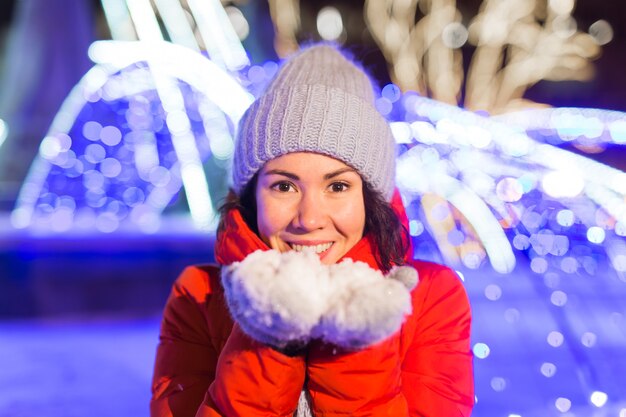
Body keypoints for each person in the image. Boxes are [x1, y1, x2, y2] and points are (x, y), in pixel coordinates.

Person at [150, 43, 474, 417]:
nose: (309, 218)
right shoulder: (199, 297)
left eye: (337, 187)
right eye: (284, 186)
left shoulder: (430, 298)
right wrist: (272, 332)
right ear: (252, 195)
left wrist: (355, 332)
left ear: (371, 198)